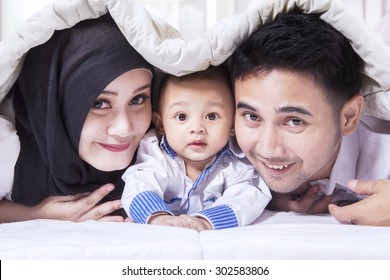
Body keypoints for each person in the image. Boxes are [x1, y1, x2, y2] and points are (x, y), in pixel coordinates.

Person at [230, 10, 390, 226]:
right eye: (251, 116)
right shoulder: (213, 153)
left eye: (294, 121)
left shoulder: (384, 163)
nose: (267, 150)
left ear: (349, 118)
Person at [0, 14, 154, 223]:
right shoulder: (9, 147)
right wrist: (35, 215)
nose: (124, 128)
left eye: (138, 99)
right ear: (55, 104)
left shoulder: (165, 142)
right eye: (99, 104)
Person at [121, 66, 271, 231]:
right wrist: (158, 218)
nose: (197, 128)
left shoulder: (237, 163)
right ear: (160, 124)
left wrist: (206, 222)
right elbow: (140, 183)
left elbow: (247, 198)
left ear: (233, 124)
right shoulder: (156, 152)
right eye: (182, 117)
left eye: (211, 116)